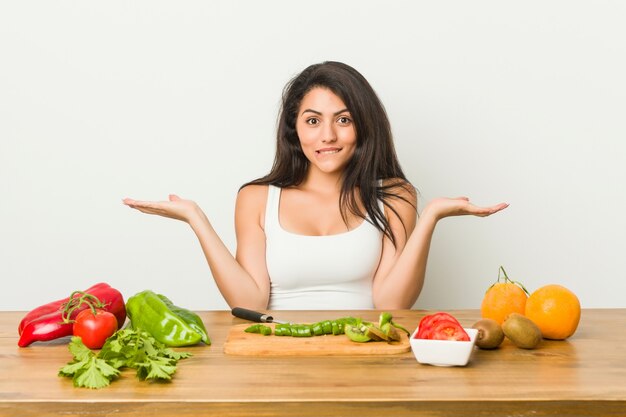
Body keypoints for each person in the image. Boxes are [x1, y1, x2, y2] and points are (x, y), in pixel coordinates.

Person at [123, 61, 508, 310]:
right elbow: (251, 302)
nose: (327, 136)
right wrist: (196, 220)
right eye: (312, 121)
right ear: (295, 129)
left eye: (343, 120)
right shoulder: (257, 198)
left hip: (365, 354)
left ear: (363, 125)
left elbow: (393, 305)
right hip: (278, 356)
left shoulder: (393, 196)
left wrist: (432, 217)